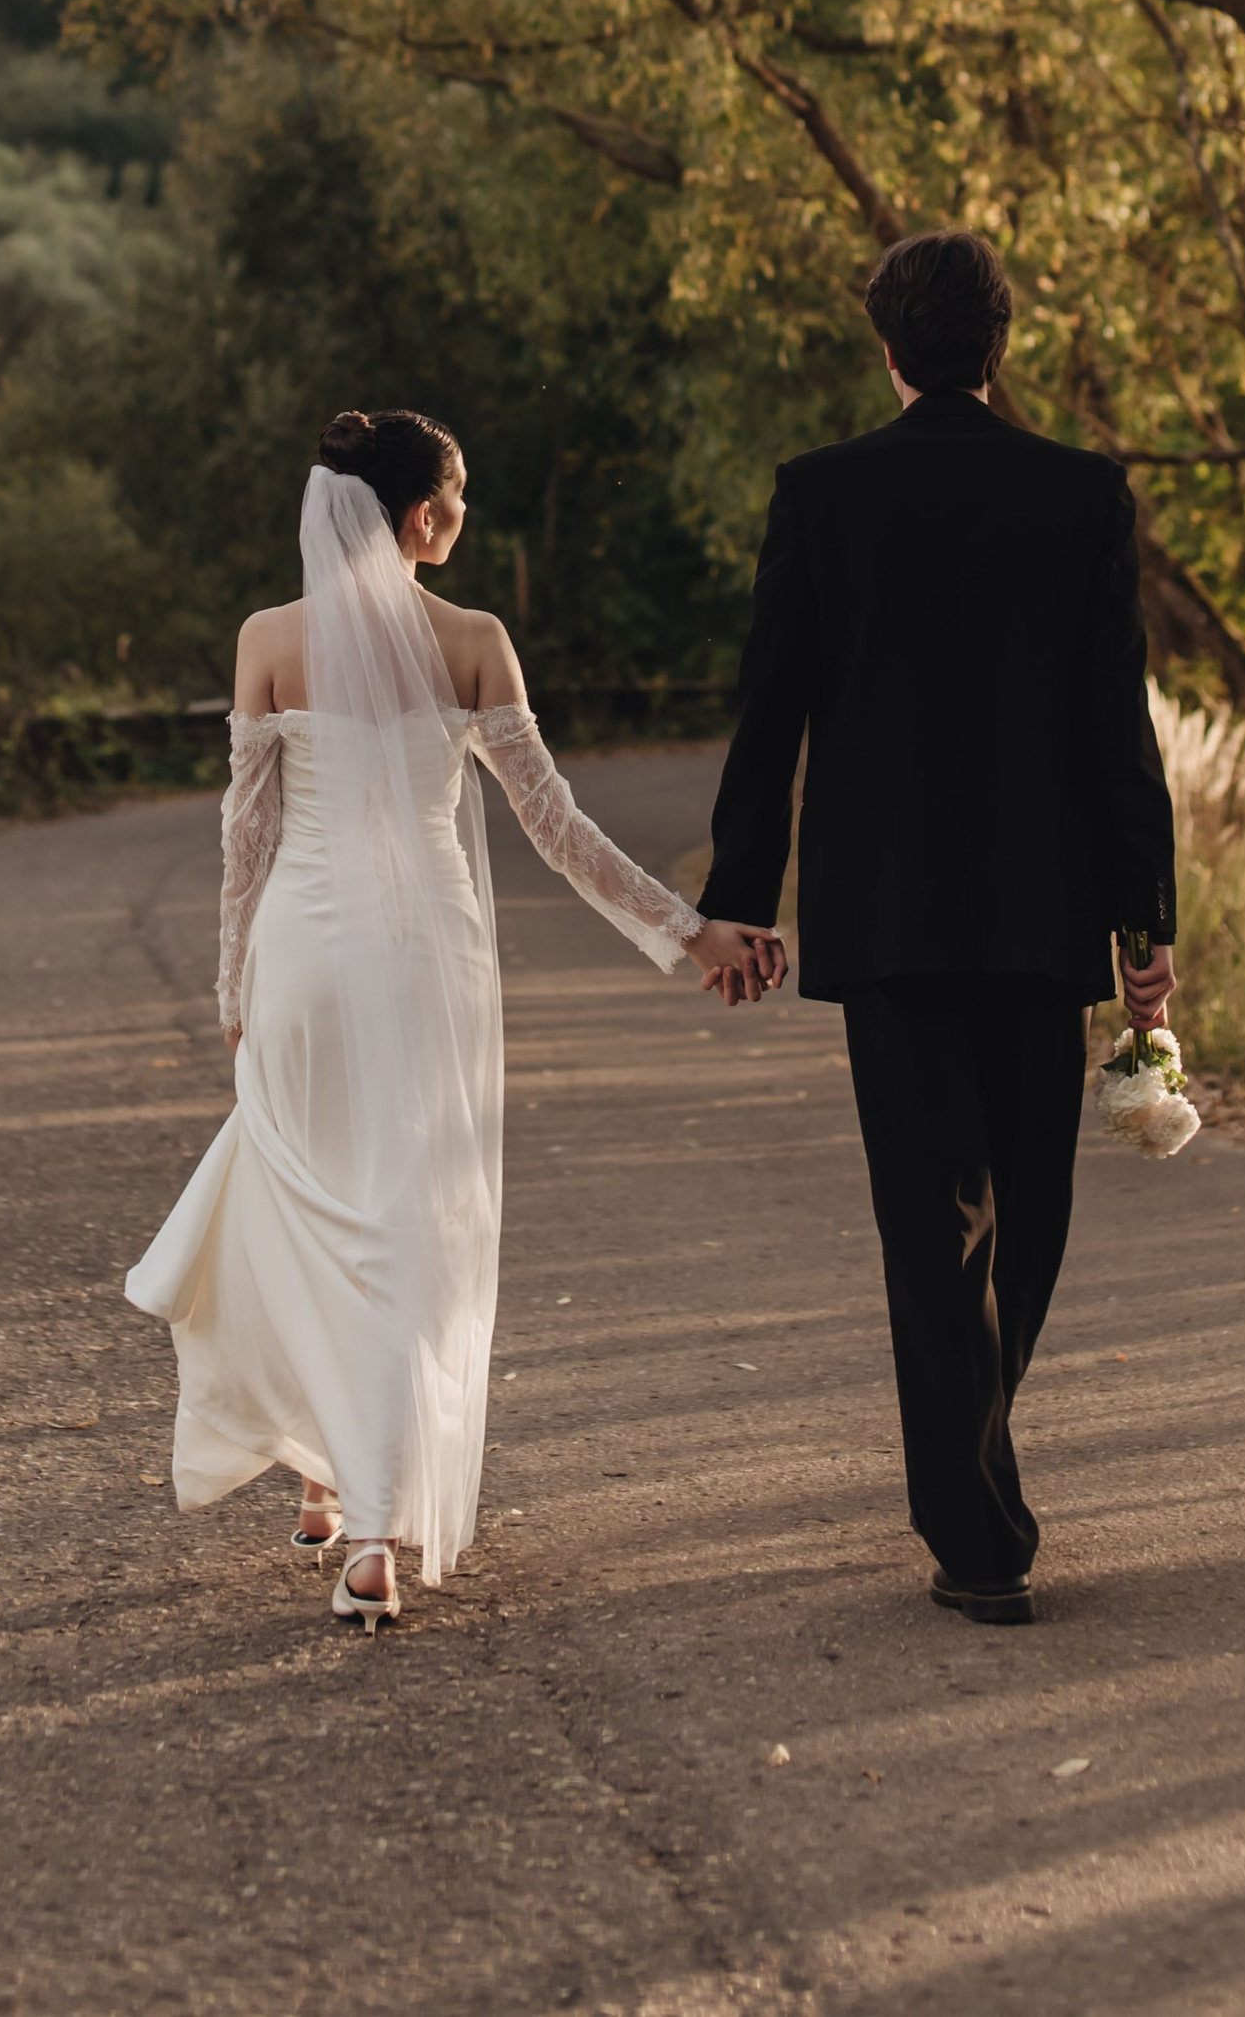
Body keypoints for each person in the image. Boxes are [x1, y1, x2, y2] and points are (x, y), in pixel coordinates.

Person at [125, 406, 784, 1632]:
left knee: (309, 1206)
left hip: (302, 957)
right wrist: (687, 930)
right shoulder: (475, 641)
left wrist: (231, 989)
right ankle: (370, 1530)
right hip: (426, 957)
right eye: (461, 495)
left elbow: (246, 840)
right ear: (424, 516)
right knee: (403, 1226)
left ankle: (326, 1472)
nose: (466, 514)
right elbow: (557, 828)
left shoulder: (267, 639)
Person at [696, 232, 1177, 1625]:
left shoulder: (825, 493)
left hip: (893, 908)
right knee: (1022, 1214)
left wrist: (742, 897)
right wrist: (1143, 914)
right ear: (998, 343)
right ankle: (979, 1535)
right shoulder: (1078, 493)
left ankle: (970, 1490)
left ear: (889, 348)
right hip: (1037, 909)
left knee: (940, 1225)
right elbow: (1119, 727)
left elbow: (770, 708)